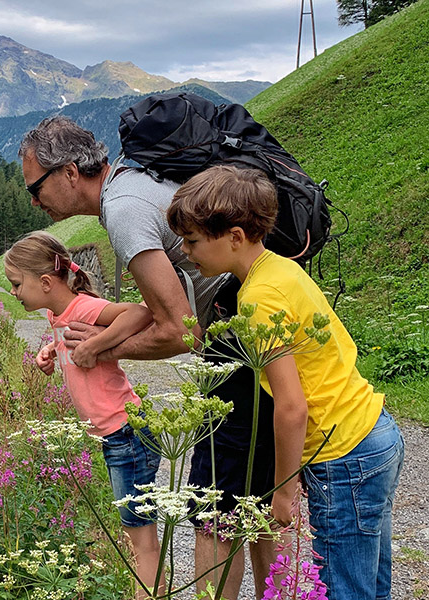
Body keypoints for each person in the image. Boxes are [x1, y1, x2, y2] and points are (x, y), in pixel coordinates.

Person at [19, 116, 277, 599]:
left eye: (37, 187)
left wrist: (95, 349)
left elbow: (182, 332)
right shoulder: (134, 179)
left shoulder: (121, 209)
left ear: (71, 173)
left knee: (214, 505)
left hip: (237, 342)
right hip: (259, 331)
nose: (35, 201)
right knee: (253, 503)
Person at [166, 164, 405, 600]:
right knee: (371, 581)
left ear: (235, 236)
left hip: (341, 453)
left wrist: (282, 492)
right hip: (373, 431)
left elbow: (291, 406)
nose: (184, 251)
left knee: (344, 590)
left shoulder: (258, 296)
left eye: (193, 240)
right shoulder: (281, 268)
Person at [4, 230, 162, 597]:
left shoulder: (86, 307)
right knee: (135, 532)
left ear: (45, 282)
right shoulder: (56, 312)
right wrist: (49, 352)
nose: (13, 292)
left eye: (15, 284)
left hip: (127, 434)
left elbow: (139, 312)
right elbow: (68, 340)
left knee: (143, 542)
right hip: (115, 436)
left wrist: (97, 345)